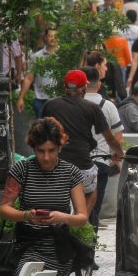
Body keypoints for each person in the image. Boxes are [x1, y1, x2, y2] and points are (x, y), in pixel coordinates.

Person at [0, 118, 89, 276]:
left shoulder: (70, 173)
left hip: (58, 249)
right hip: (30, 245)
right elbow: (4, 208)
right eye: (40, 151)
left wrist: (63, 217)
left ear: (59, 148)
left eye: (51, 151)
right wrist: (26, 215)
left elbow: (82, 216)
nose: (46, 157)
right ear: (33, 148)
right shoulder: (22, 169)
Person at [41, 70, 123, 238]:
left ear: (65, 87)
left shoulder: (50, 105)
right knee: (92, 192)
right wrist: (119, 153)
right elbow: (110, 139)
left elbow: (42, 131)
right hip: (83, 165)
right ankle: (81, 220)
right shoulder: (92, 108)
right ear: (84, 88)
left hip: (55, 165)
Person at [81, 66, 122, 230]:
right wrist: (116, 156)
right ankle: (90, 245)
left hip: (76, 162)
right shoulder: (108, 106)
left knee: (75, 207)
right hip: (100, 163)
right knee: (94, 208)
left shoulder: (73, 105)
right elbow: (118, 136)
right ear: (99, 84)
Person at [17, 27, 58, 117]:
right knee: (40, 128)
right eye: (50, 36)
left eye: (55, 36)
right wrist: (21, 98)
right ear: (45, 37)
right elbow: (28, 78)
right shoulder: (37, 56)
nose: (53, 38)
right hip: (40, 99)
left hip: (58, 99)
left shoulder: (63, 55)